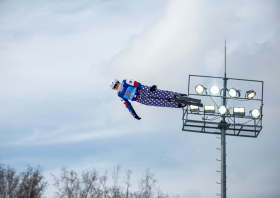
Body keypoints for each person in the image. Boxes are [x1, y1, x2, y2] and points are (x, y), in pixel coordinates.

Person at [110, 79, 187, 120]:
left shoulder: (125, 82)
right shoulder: (120, 95)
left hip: (143, 91)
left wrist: (149, 88)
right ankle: (178, 104)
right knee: (159, 102)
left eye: (116, 85)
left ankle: (179, 96)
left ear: (118, 82)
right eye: (114, 87)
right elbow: (127, 105)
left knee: (161, 93)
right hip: (141, 99)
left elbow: (137, 84)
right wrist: (134, 115)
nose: (116, 87)